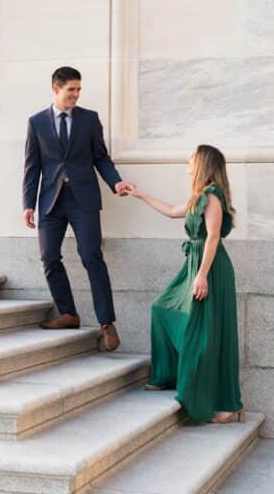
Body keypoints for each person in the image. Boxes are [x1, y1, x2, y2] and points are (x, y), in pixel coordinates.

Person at [128, 144, 244, 424]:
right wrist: (140, 194)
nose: (187, 160)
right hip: (193, 263)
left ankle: (227, 403)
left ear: (203, 162)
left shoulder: (212, 196)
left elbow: (213, 236)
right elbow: (170, 210)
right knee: (162, 309)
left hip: (209, 267)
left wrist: (202, 274)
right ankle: (166, 375)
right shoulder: (199, 196)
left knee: (205, 333)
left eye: (192, 156)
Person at [22, 66, 135, 351]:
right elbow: (31, 167)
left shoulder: (89, 120)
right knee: (48, 257)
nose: (76, 95)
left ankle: (107, 323)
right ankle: (68, 313)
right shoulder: (36, 122)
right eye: (71, 89)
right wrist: (27, 204)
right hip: (50, 201)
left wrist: (116, 182)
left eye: (78, 90)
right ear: (55, 88)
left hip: (83, 199)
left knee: (91, 256)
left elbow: (101, 158)